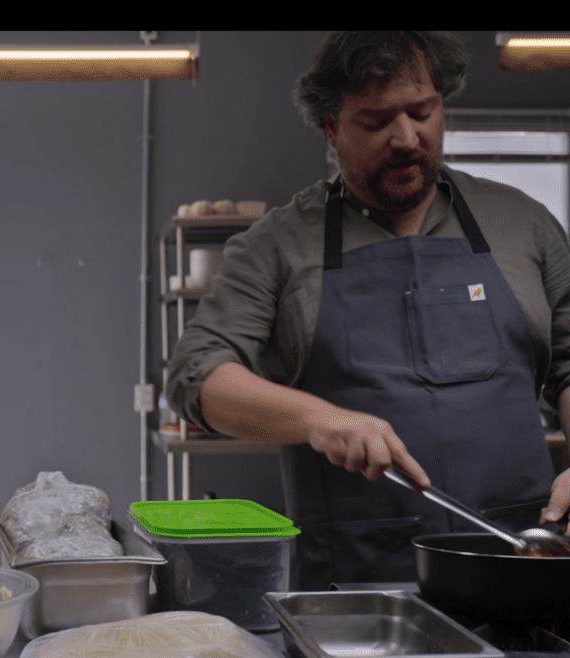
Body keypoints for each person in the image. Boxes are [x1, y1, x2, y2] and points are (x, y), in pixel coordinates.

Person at [166, 31, 570, 589]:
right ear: (331, 127)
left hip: (521, 560)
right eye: (376, 121)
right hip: (358, 585)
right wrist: (320, 419)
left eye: (422, 111)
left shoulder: (523, 224)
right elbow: (196, 376)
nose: (406, 138)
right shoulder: (277, 246)